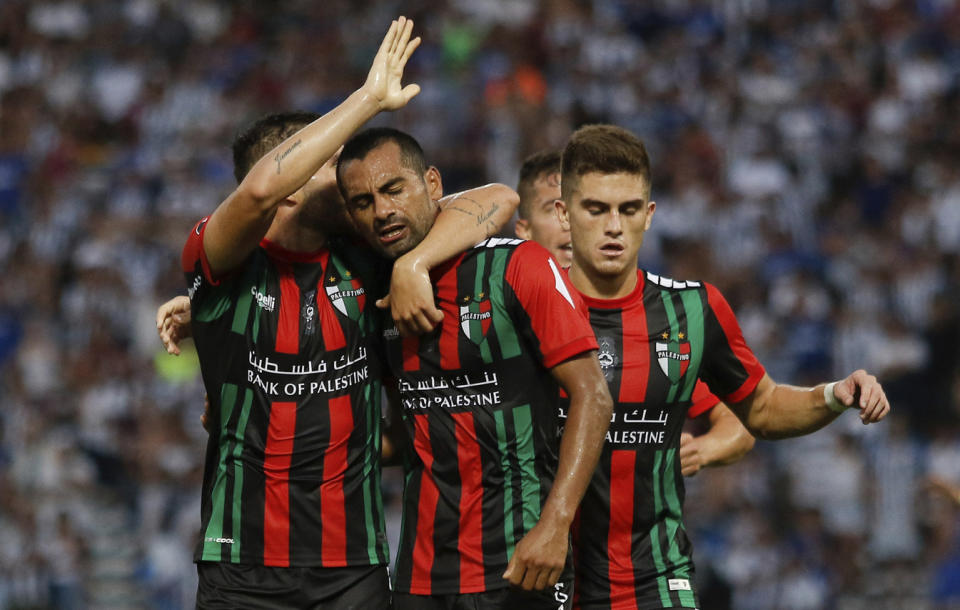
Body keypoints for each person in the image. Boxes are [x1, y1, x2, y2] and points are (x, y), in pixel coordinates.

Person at [180, 18, 518, 608]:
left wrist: (415, 266)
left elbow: (498, 199)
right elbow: (257, 194)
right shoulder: (223, 265)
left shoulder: (367, 258)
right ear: (291, 181)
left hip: (354, 568)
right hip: (241, 567)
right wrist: (368, 99)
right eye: (329, 163)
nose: (347, 177)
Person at [552, 124, 890, 609]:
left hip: (654, 577)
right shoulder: (525, 306)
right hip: (545, 577)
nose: (613, 226)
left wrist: (836, 393)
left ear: (649, 216)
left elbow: (764, 409)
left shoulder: (692, 311)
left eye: (628, 210)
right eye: (596, 209)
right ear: (565, 214)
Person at [335, 126, 614, 610]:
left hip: (521, 559)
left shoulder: (520, 267)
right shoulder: (372, 298)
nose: (381, 211)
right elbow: (408, 433)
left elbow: (594, 395)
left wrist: (556, 524)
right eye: (363, 202)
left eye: (394, 189)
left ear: (434, 185)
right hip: (420, 576)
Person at [514, 150, 755, 478]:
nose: (571, 224)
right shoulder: (502, 321)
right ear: (524, 229)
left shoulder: (646, 322)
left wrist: (699, 451)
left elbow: (738, 422)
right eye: (554, 209)